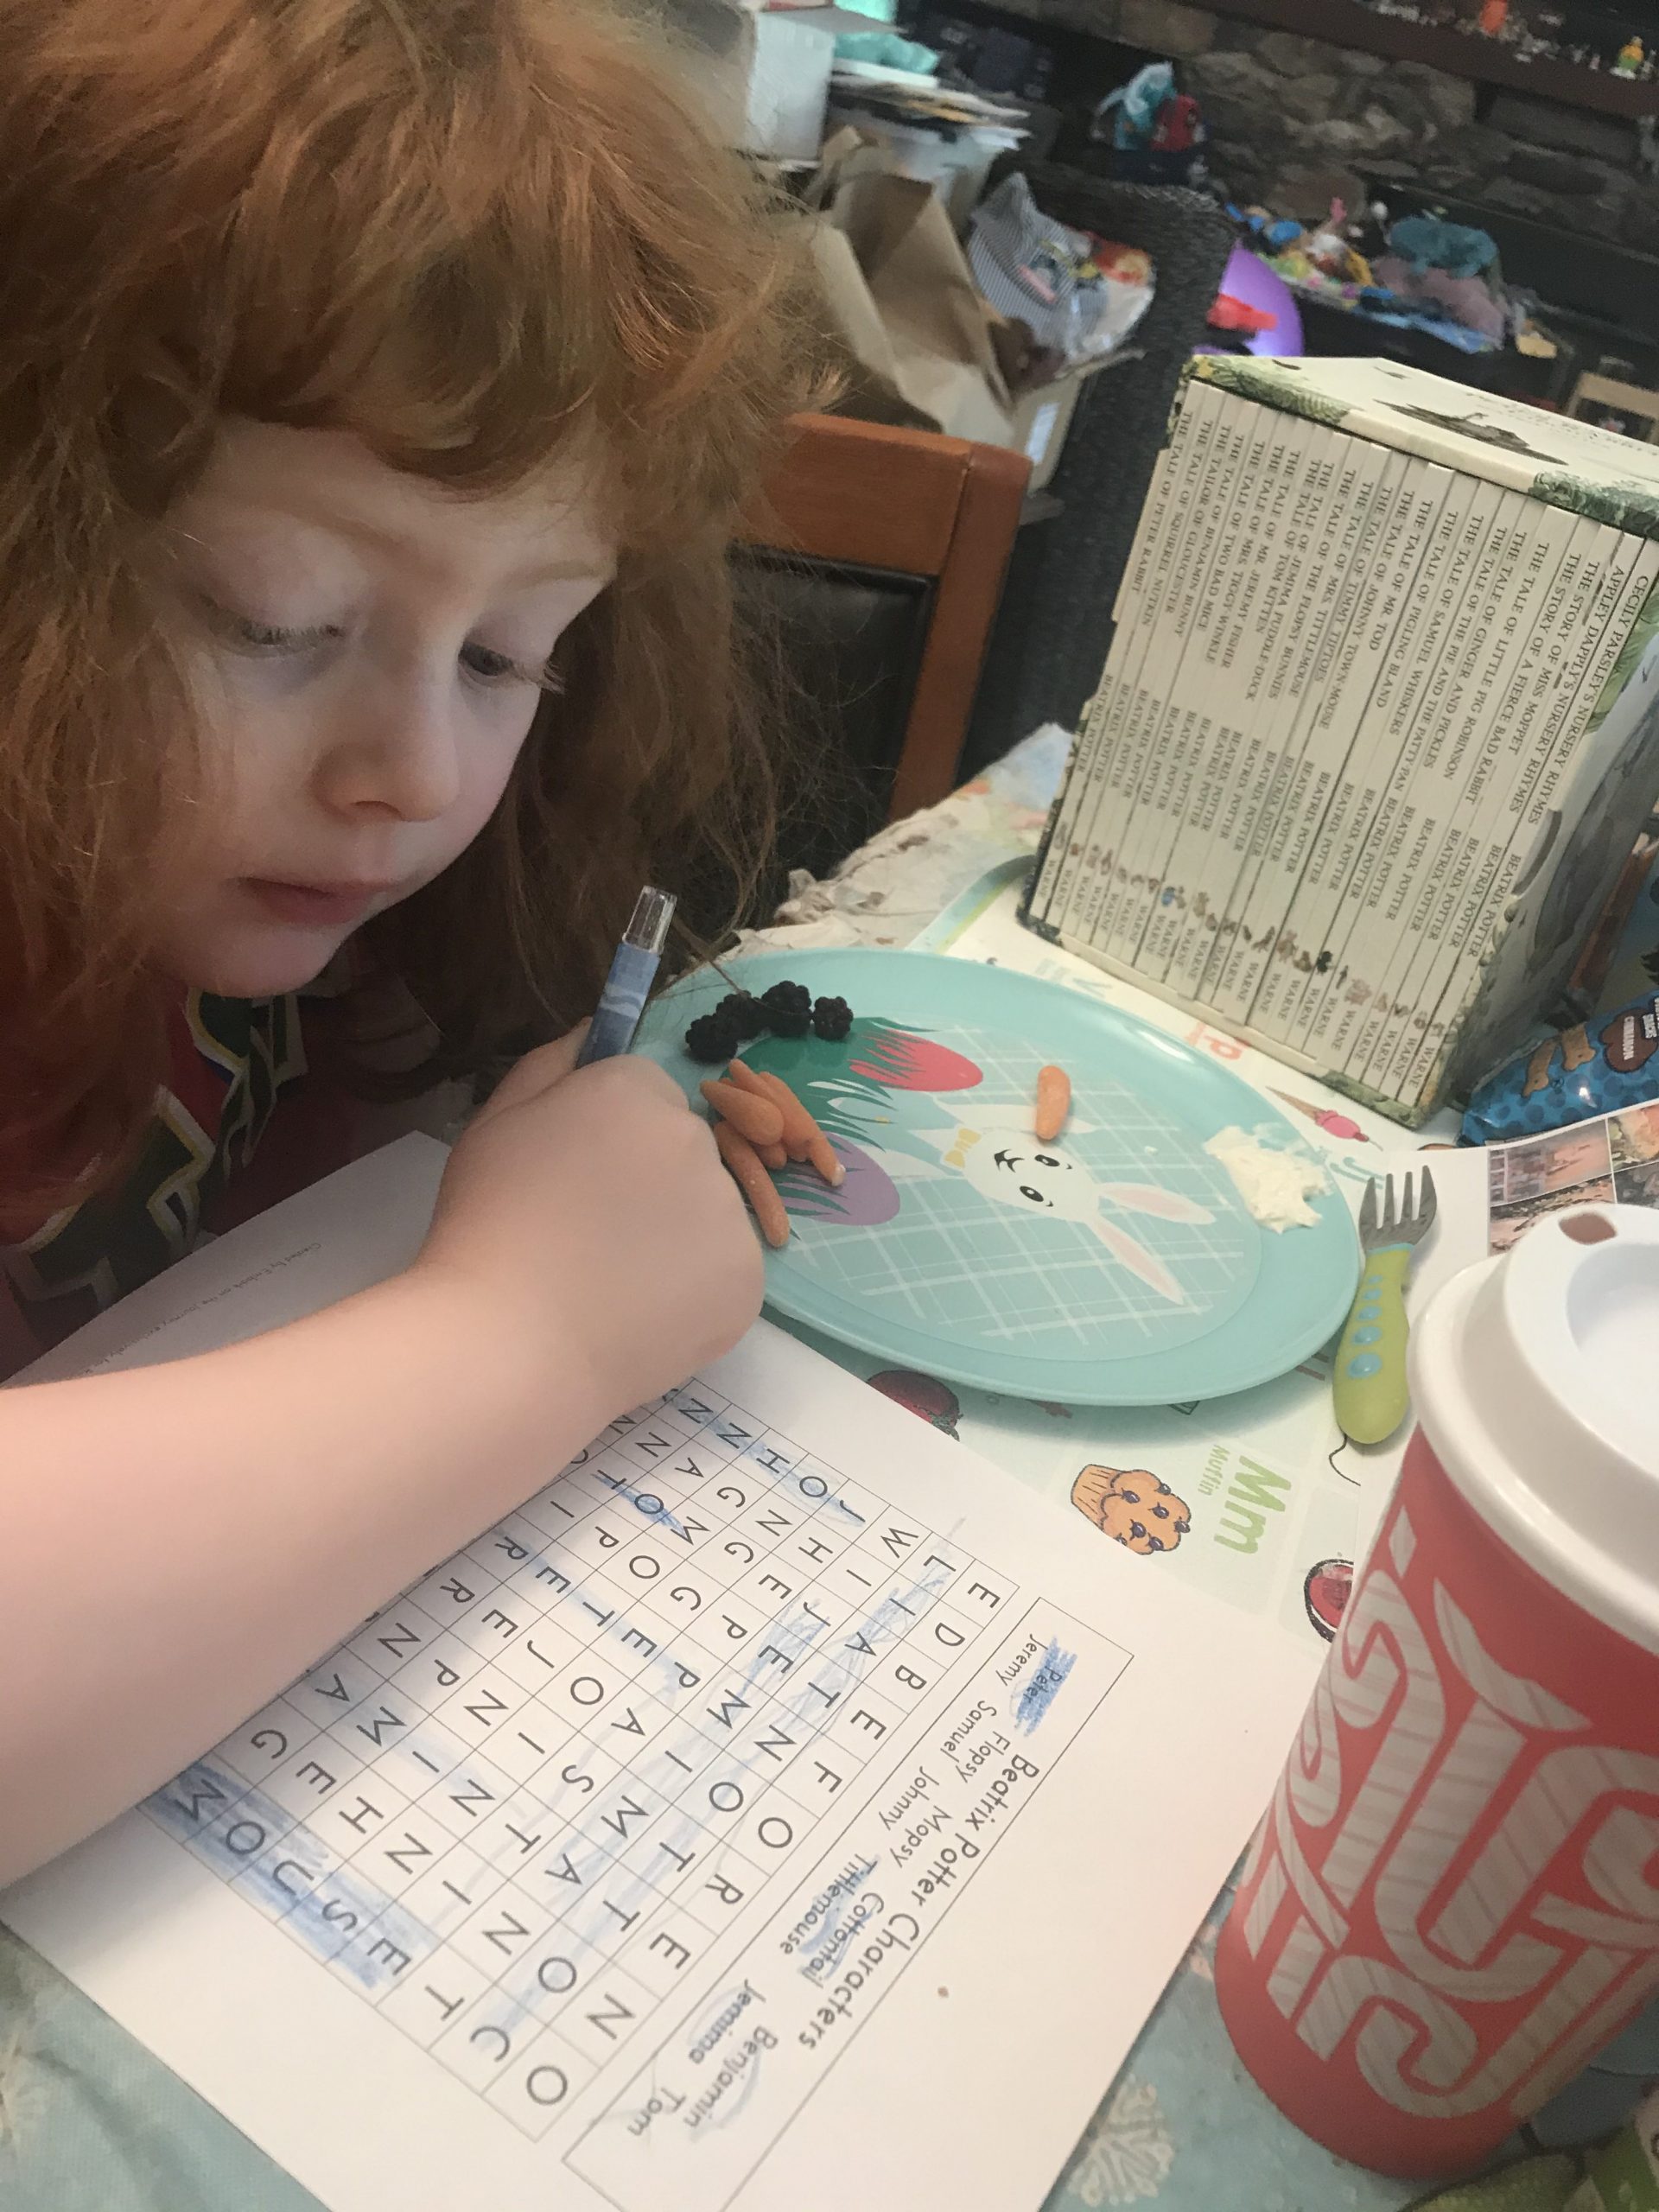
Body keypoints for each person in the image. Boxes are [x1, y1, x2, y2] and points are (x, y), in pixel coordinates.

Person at [0, 0, 808, 1885]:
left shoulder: (330, 917)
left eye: (512, 653)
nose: (418, 774)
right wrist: (526, 1326)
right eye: (275, 621)